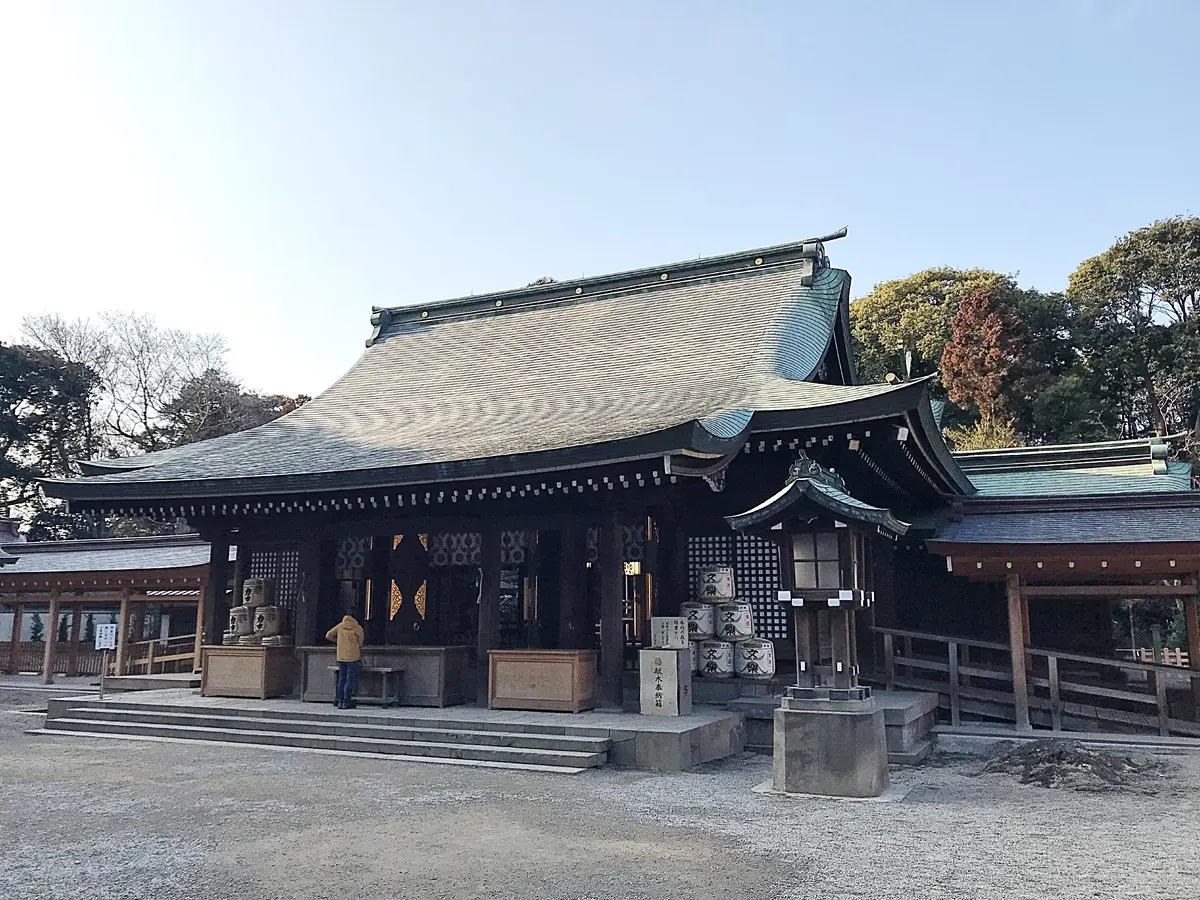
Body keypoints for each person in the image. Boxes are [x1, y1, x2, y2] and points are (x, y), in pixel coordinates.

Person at [325, 611, 364, 709]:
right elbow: (360, 643)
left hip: (341, 656)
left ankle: (340, 701)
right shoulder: (357, 628)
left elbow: (328, 635)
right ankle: (347, 701)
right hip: (353, 657)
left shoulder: (340, 626)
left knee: (341, 679)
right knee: (349, 679)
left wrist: (337, 641)